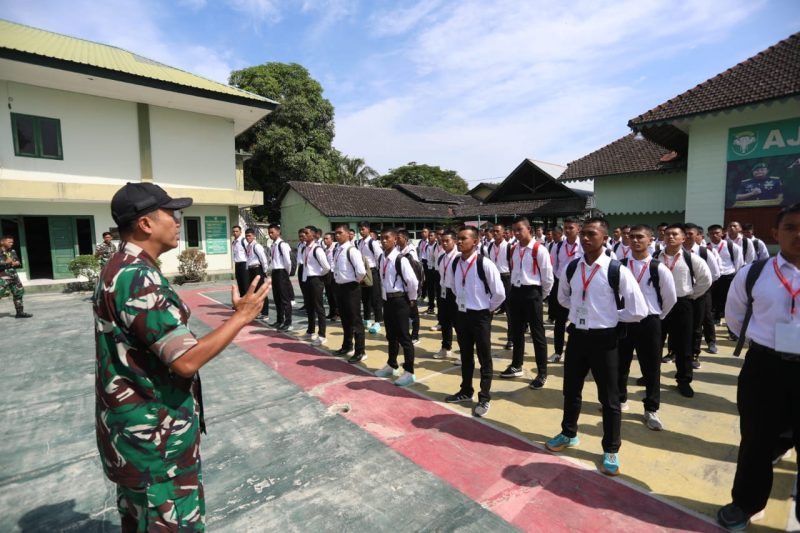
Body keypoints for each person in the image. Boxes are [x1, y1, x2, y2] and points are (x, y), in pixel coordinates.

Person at [94, 182, 269, 531]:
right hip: (157, 441)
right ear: (145, 223)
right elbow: (186, 360)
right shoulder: (138, 277)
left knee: (140, 520)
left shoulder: (119, 266)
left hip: (134, 436)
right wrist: (241, 317)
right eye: (171, 214)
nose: (177, 221)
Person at [717, 203, 800, 530]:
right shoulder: (753, 273)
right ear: (775, 233)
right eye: (790, 227)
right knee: (755, 439)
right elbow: (735, 317)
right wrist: (766, 342)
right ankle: (745, 503)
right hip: (765, 367)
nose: (798, 234)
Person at [545, 217, 647, 476]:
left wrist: (610, 318)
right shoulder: (572, 266)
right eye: (584, 234)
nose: (586, 238)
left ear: (604, 238)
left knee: (610, 399)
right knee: (571, 390)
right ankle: (569, 433)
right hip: (578, 337)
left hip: (605, 340)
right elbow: (562, 297)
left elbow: (638, 309)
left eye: (592, 234)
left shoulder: (616, 269)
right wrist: (585, 314)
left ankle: (611, 449)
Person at [618, 225, 677, 431]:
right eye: (632, 237)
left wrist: (656, 316)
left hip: (649, 322)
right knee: (620, 364)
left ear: (650, 240)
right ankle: (620, 399)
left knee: (651, 367)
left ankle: (651, 409)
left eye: (640, 237)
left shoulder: (658, 268)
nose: (635, 240)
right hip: (624, 320)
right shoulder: (620, 266)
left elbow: (670, 298)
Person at [445, 226, 506, 417]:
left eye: (464, 238)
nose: (459, 241)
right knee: (465, 355)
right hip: (462, 314)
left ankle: (484, 397)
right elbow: (453, 287)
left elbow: (499, 294)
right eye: (458, 238)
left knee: (484, 357)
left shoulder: (484, 264)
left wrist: (486, 310)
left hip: (480, 316)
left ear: (476, 241)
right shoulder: (456, 262)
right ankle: (466, 390)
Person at [656, 223, 712, 398]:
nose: (671, 237)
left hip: (682, 305)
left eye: (675, 234)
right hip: (658, 305)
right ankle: (650, 376)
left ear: (683, 238)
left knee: (683, 345)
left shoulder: (691, 258)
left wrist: (691, 295)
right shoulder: (655, 257)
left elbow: (706, 279)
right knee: (654, 343)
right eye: (668, 234)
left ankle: (684, 380)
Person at [500, 217, 554, 389]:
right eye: (514, 230)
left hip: (532, 293)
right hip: (516, 292)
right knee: (517, 331)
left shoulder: (539, 249)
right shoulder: (514, 249)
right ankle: (516, 365)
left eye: (520, 229)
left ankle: (542, 372)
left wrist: (539, 296)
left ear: (529, 229)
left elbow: (548, 278)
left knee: (537, 334)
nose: (516, 233)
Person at [374, 228, 418, 386]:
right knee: (391, 335)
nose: (384, 240)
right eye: (382, 238)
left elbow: (412, 282)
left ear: (395, 240)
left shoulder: (401, 259)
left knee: (404, 337)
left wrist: (411, 299)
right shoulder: (382, 258)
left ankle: (409, 372)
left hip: (400, 300)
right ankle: (392, 364)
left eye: (387, 238)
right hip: (387, 300)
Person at [331, 224, 367, 363]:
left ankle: (360, 351)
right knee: (345, 319)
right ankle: (347, 346)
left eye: (340, 233)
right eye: (336, 233)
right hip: (340, 287)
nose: (337, 235)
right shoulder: (338, 250)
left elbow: (361, 272)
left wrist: (354, 282)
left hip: (351, 288)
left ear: (347, 234)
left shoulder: (352, 250)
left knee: (355, 320)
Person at [685, 223, 720, 360]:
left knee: (702, 319)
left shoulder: (705, 252)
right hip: (682, 293)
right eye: (685, 233)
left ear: (697, 235)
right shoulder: (675, 252)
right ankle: (674, 351)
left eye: (691, 233)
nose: (687, 236)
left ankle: (703, 347)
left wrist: (700, 287)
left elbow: (715, 274)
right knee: (680, 323)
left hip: (702, 292)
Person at [549, 217, 583, 362]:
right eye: (565, 228)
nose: (568, 231)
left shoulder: (584, 245)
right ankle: (558, 352)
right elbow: (553, 265)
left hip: (580, 286)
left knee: (580, 319)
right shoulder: (558, 246)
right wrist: (560, 278)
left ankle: (580, 353)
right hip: (562, 286)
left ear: (578, 229)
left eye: (571, 228)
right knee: (560, 321)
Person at [708, 224, 744, 334]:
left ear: (722, 233)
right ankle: (712, 327)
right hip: (713, 278)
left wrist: (735, 276)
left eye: (717, 233)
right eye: (712, 233)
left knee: (728, 303)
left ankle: (732, 331)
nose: (714, 235)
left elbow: (739, 262)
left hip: (728, 276)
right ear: (708, 235)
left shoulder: (731, 246)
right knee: (712, 303)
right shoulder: (706, 247)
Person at [300, 226, 331, 346]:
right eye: (304, 233)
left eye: (307, 233)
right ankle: (310, 331)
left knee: (319, 308)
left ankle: (322, 335)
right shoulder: (305, 248)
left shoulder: (317, 249)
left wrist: (318, 276)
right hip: (307, 280)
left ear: (313, 235)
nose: (304, 235)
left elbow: (326, 267)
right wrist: (305, 279)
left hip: (316, 280)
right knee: (309, 307)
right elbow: (305, 266)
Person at [484, 224, 513, 349]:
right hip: (493, 278)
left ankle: (511, 339)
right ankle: (485, 338)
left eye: (497, 231)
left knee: (510, 311)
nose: (495, 233)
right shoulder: (489, 246)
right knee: (489, 308)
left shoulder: (509, 247)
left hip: (506, 277)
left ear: (503, 233)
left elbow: (512, 265)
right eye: (493, 231)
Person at [434, 229, 459, 361]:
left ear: (454, 241)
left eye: (447, 241)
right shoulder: (441, 256)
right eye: (442, 241)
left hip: (456, 293)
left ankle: (464, 352)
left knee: (459, 324)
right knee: (445, 322)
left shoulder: (459, 257)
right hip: (444, 291)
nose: (444, 243)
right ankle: (445, 348)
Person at [357, 221, 383, 334]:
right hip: (363, 272)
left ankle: (378, 322)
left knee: (375, 297)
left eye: (363, 229)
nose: (361, 231)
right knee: (365, 297)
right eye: (360, 229)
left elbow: (379, 258)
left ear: (368, 229)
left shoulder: (373, 243)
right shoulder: (359, 242)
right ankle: (367, 319)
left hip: (372, 271)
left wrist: (378, 272)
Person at [397, 229, 422, 344]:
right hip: (401, 287)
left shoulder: (410, 252)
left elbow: (415, 271)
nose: (397, 240)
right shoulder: (397, 250)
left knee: (413, 312)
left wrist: (414, 291)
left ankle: (415, 335)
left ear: (405, 239)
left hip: (411, 286)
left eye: (399, 237)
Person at [267, 224, 293, 331]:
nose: (270, 234)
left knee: (285, 299)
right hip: (275, 272)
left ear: (278, 232)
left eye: (272, 232)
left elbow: (288, 261)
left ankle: (288, 322)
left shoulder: (282, 245)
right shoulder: (273, 245)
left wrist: (286, 273)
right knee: (277, 298)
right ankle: (279, 320)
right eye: (269, 233)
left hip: (282, 272)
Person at [0, 235, 32, 318]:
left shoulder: (12, 251)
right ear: (2, 242)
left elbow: (17, 262)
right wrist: (6, 262)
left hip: (13, 275)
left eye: (12, 242)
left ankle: (20, 312)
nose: (11, 243)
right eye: (9, 242)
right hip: (2, 276)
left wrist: (16, 263)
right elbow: (5, 262)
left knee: (18, 293)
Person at [244, 228, 270, 320]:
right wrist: (247, 269)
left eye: (249, 236)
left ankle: (265, 313)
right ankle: (258, 311)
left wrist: (265, 270)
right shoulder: (248, 246)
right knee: (254, 291)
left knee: (261, 291)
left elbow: (263, 258)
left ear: (254, 236)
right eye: (246, 236)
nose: (248, 238)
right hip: (251, 269)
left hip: (257, 269)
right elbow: (248, 259)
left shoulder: (257, 246)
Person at [424, 229, 441, 315]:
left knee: (438, 289)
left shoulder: (437, 246)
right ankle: (431, 306)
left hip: (436, 270)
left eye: (432, 235)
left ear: (435, 237)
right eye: (429, 236)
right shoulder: (427, 246)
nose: (430, 237)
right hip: (429, 269)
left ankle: (439, 308)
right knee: (430, 288)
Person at [322, 232, 338, 321]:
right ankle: (331, 312)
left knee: (335, 294)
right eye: (324, 239)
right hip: (327, 273)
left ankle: (337, 313)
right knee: (329, 294)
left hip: (333, 273)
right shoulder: (324, 250)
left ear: (332, 239)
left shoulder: (335, 249)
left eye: (327, 238)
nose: (325, 240)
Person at [230, 226, 249, 298]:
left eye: (237, 231)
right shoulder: (234, 242)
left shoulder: (244, 241)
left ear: (240, 232)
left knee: (245, 284)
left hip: (244, 264)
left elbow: (249, 252)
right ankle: (242, 300)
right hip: (237, 265)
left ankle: (247, 301)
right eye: (233, 231)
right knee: (240, 284)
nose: (235, 233)